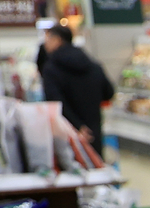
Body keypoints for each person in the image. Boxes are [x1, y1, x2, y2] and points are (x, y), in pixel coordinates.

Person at [41, 25, 113, 153]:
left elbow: (54, 102)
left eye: (47, 39)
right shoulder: (93, 65)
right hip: (93, 132)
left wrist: (78, 126)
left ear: (57, 40)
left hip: (67, 135)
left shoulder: (51, 70)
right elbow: (109, 93)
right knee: (96, 168)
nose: (45, 44)